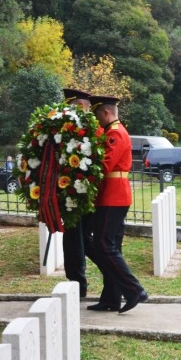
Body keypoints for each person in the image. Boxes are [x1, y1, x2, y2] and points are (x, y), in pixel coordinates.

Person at [85, 95, 148, 313]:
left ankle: (134, 290)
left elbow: (104, 164)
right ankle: (111, 298)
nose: (96, 120)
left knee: (103, 245)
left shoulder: (115, 133)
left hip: (113, 196)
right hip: (112, 195)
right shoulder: (113, 132)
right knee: (110, 247)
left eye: (96, 115)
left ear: (105, 113)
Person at [61, 88, 93, 298]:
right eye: (88, 106)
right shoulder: (65, 128)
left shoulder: (87, 128)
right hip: (69, 190)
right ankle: (75, 281)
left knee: (81, 239)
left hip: (84, 192)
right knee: (73, 239)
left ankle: (78, 282)